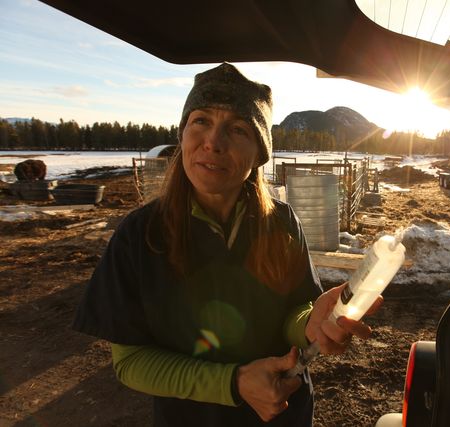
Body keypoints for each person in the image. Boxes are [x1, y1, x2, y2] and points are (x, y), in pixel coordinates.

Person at [72, 63, 381, 426]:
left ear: (259, 153)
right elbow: (130, 362)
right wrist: (232, 383)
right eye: (201, 121)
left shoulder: (281, 221)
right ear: (182, 135)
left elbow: (295, 310)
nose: (213, 143)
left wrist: (311, 324)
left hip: (284, 414)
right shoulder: (141, 234)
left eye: (237, 129)